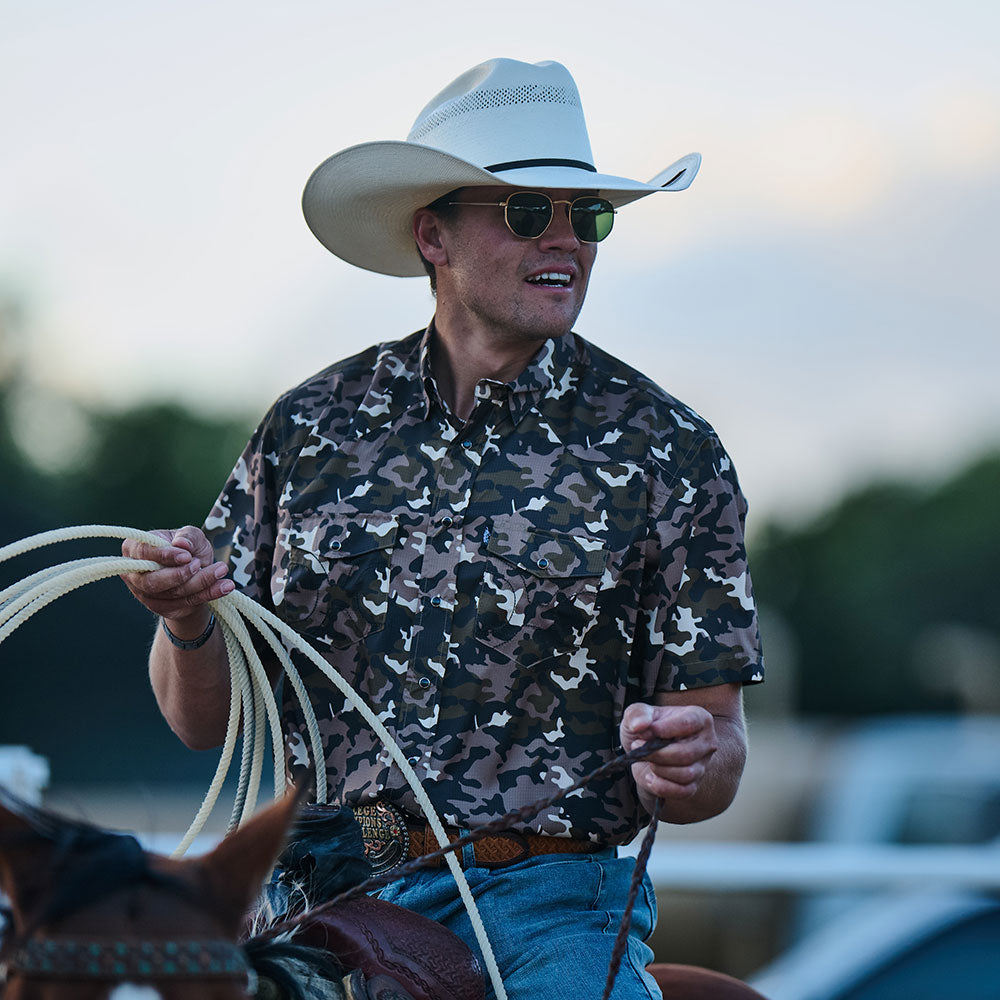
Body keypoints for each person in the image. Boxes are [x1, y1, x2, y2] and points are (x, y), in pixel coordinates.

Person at [121, 58, 764, 999]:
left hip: (551, 909)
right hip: (322, 898)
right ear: (434, 235)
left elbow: (719, 750)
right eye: (526, 212)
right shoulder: (309, 429)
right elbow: (201, 722)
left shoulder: (670, 451)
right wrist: (186, 620)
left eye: (587, 216)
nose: (566, 238)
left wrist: (694, 759)